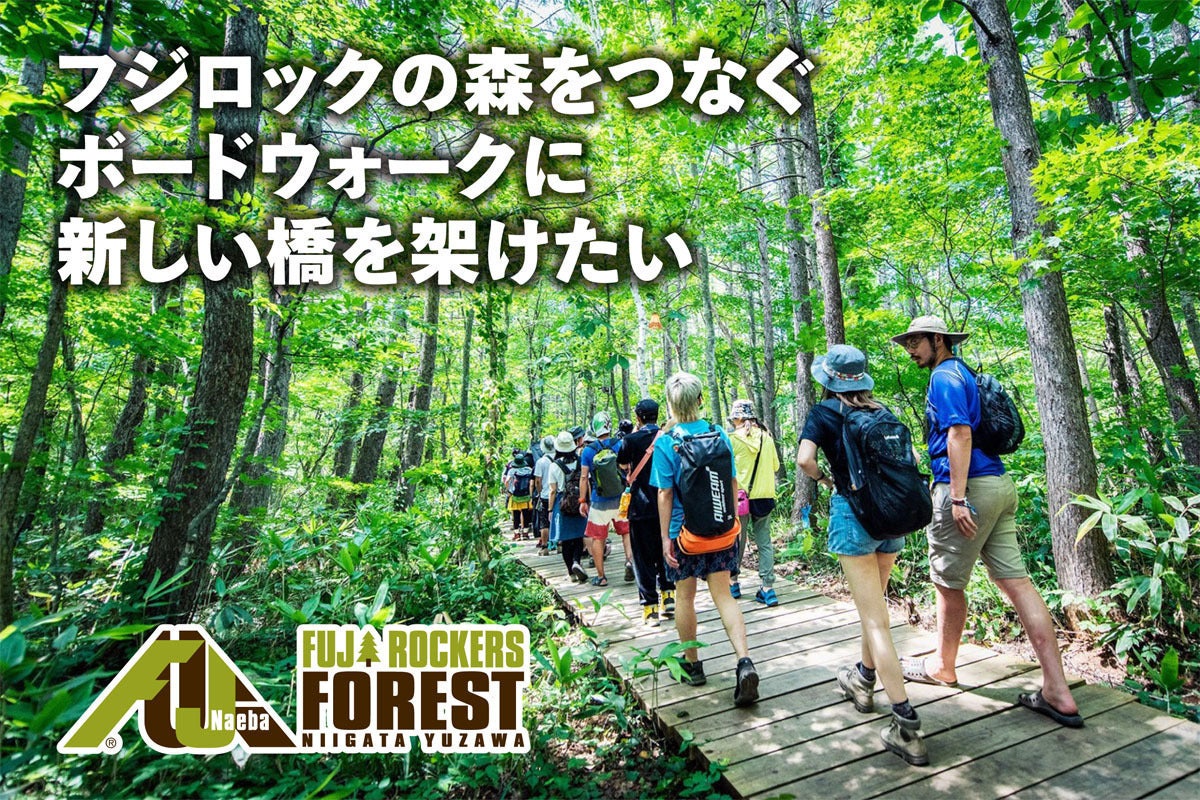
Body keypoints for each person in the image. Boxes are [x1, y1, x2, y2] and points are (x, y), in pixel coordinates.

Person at [893, 315, 1082, 728]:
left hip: (968, 490)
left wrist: (958, 498)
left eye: (915, 342)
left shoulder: (944, 377)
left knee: (947, 584)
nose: (910, 350)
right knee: (1017, 583)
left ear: (937, 340)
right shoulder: (965, 373)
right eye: (906, 343)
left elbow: (959, 434)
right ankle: (1057, 689)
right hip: (998, 485)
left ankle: (943, 666)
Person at [797, 344, 928, 766]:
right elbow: (910, 458)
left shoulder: (823, 413)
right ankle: (864, 680)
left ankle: (907, 725)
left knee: (875, 620)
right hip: (891, 518)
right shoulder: (881, 411)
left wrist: (827, 479)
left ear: (828, 379)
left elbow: (804, 460)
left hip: (854, 516)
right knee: (875, 612)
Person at [650, 372, 759, 707]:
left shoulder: (667, 443)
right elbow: (732, 482)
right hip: (721, 530)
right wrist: (730, 521)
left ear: (670, 405)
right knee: (724, 596)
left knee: (685, 597)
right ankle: (744, 661)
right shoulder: (719, 433)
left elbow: (665, 494)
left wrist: (665, 538)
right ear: (700, 400)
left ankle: (692, 665)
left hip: (685, 535)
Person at [617, 398, 675, 626]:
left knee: (642, 559)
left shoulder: (630, 440)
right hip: (666, 505)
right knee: (665, 550)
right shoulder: (667, 438)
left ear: (638, 417)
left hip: (640, 507)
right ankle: (669, 596)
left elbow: (622, 465)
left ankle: (650, 609)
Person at [728, 399, 781, 606]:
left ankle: (733, 583)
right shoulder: (767, 437)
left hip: (740, 497)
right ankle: (768, 588)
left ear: (739, 418)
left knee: (737, 540)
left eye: (734, 419)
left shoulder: (733, 439)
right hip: (764, 495)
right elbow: (775, 466)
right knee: (764, 542)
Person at [579, 412, 631, 587]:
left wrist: (582, 500)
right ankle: (629, 562)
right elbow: (627, 467)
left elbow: (584, 477)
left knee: (597, 537)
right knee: (626, 532)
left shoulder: (588, 451)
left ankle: (601, 577)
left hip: (599, 500)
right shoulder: (619, 444)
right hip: (621, 498)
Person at [547, 430, 588, 583]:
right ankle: (577, 561)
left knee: (565, 540)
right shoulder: (581, 461)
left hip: (562, 503)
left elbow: (552, 490)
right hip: (579, 501)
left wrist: (550, 509)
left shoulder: (554, 466)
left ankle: (571, 572)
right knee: (578, 536)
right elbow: (586, 481)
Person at [533, 435, 556, 554]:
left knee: (544, 522)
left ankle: (545, 546)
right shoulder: (559, 459)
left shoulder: (541, 462)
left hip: (545, 495)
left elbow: (538, 480)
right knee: (557, 520)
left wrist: (539, 491)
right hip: (558, 494)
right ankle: (560, 545)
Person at [504, 450, 533, 539]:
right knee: (526, 514)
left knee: (516, 514)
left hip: (515, 495)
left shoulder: (512, 471)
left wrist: (508, 490)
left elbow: (507, 481)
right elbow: (532, 482)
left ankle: (517, 534)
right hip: (526, 495)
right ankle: (525, 533)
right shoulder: (529, 470)